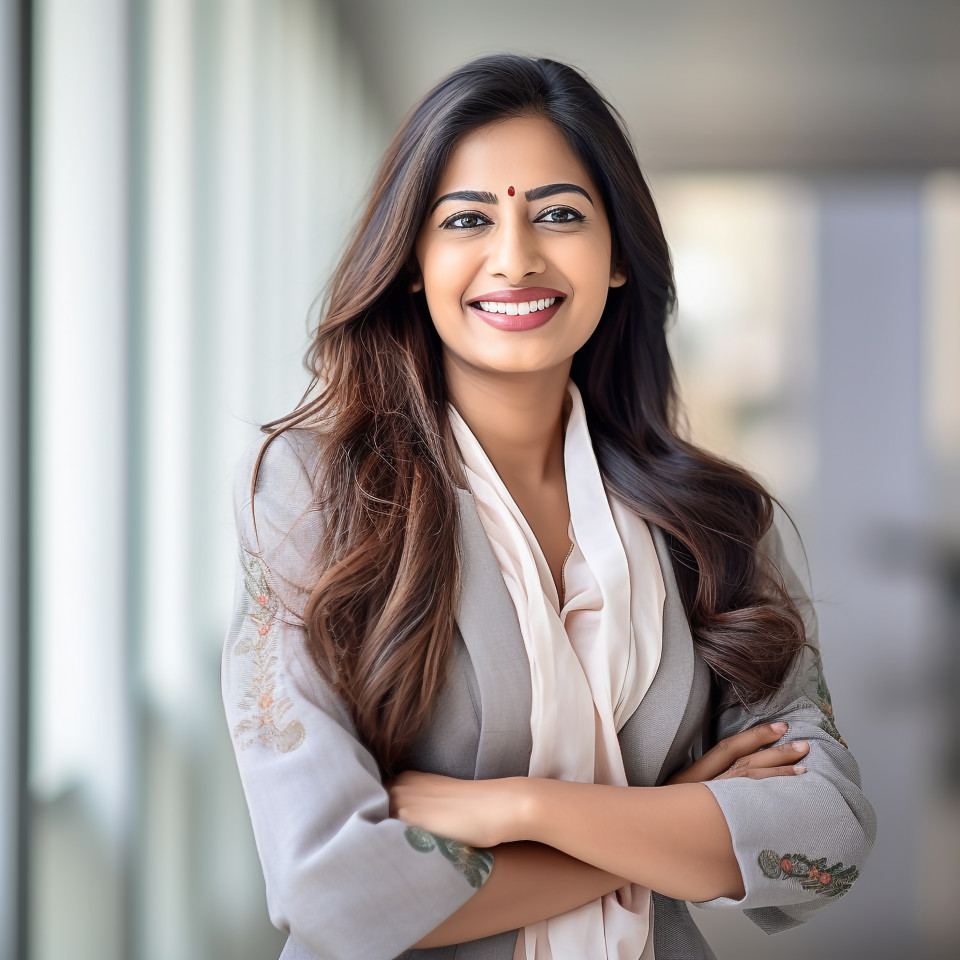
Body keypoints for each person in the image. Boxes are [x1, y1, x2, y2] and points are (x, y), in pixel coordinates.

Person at [221, 54, 875, 960]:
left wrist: (520, 808)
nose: (516, 257)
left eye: (560, 214)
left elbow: (829, 840)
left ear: (616, 259)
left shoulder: (714, 521)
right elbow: (334, 891)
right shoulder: (319, 494)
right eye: (467, 220)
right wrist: (665, 827)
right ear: (413, 263)